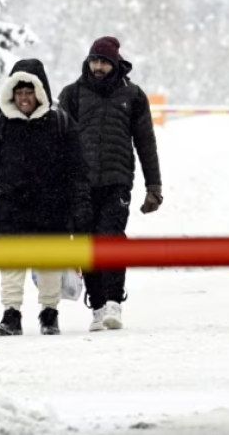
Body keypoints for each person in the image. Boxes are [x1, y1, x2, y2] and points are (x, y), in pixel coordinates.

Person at [0, 59, 92, 336]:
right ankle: (11, 313)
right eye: (19, 92)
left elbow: (77, 170)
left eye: (29, 92)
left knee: (49, 261)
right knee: (11, 261)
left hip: (52, 203)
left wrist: (80, 206)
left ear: (40, 91)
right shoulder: (0, 123)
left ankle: (50, 313)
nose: (24, 98)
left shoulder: (61, 122)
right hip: (11, 203)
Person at [58, 36, 163, 332]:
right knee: (86, 243)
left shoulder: (134, 96)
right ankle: (98, 304)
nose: (98, 66)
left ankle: (115, 301)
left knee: (111, 238)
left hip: (117, 181)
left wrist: (153, 187)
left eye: (104, 61)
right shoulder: (72, 94)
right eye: (94, 61)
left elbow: (146, 143)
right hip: (80, 183)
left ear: (115, 64)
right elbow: (59, 142)